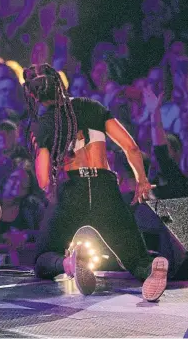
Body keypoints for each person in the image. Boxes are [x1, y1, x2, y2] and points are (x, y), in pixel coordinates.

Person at [24, 63, 168, 302]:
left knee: (43, 259)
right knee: (134, 258)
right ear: (61, 82)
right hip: (105, 189)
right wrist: (141, 180)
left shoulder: (43, 124)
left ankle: (68, 263)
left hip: (71, 190)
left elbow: (42, 177)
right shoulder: (93, 107)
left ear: (32, 94)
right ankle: (150, 267)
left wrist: (52, 195)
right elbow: (130, 147)